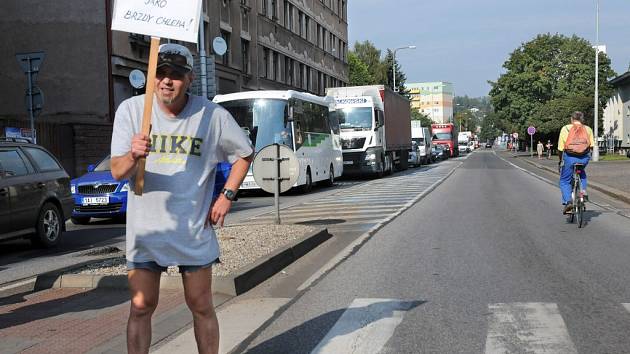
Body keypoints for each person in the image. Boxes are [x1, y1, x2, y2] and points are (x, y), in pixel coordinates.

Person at [110, 43, 254, 354]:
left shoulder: (211, 116)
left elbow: (244, 153)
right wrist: (133, 155)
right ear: (151, 78)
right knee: (140, 307)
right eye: (160, 73)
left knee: (201, 305)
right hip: (146, 231)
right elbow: (116, 172)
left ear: (189, 79)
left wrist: (226, 196)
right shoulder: (133, 111)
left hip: (192, 229)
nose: (166, 81)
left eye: (175, 75)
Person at [557, 111, 595, 214]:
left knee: (564, 180)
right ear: (582, 119)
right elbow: (591, 146)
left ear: (571, 119)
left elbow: (560, 149)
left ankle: (568, 201)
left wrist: (560, 161)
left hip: (569, 157)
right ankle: (583, 192)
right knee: (581, 173)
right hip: (583, 158)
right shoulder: (588, 129)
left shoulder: (565, 128)